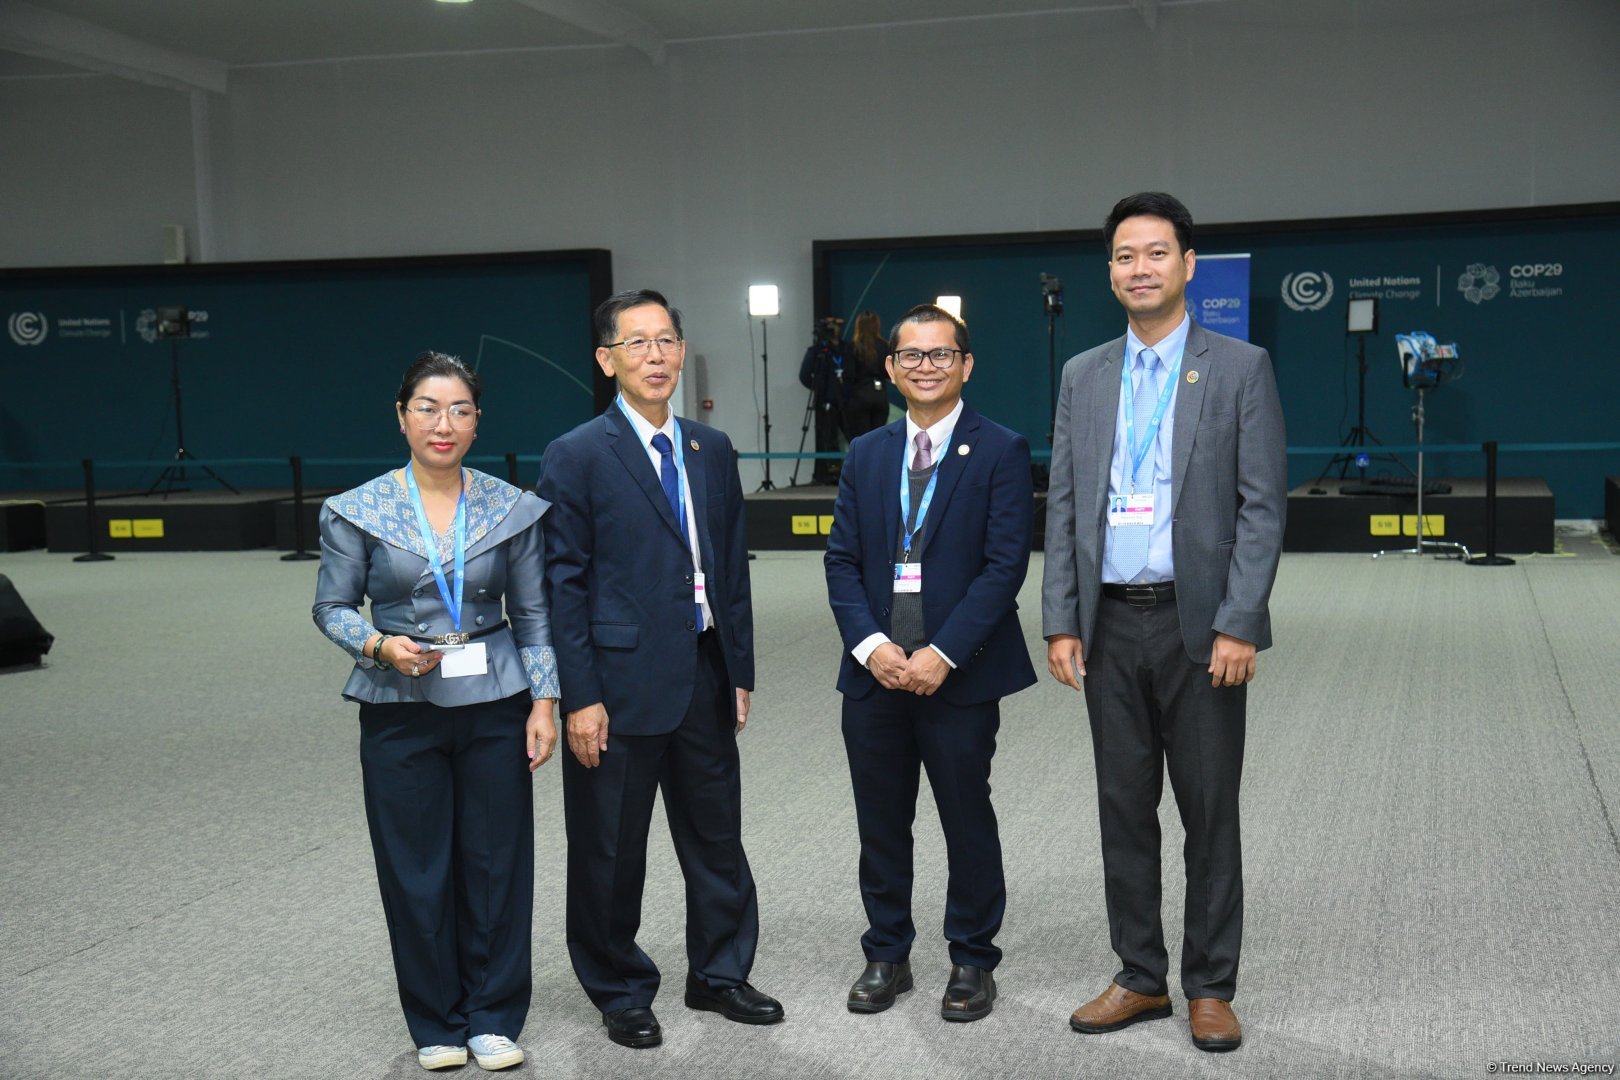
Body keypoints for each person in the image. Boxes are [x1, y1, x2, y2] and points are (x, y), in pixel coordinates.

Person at [1041, 192, 1287, 1052]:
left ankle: (1210, 985)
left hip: (1200, 629)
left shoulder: (1238, 366)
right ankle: (1140, 976)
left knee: (1209, 810)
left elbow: (1261, 507)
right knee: (1123, 808)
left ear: (1188, 265)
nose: (1137, 269)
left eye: (1154, 253)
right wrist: (1061, 619)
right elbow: (1067, 502)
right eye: (1122, 256)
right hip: (1109, 628)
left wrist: (1240, 622)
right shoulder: (1084, 373)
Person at [538, 289, 783, 1050]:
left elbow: (730, 572)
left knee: (716, 838)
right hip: (615, 687)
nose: (656, 355)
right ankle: (619, 986)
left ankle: (719, 973)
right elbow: (561, 585)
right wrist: (579, 695)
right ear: (607, 359)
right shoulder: (576, 454)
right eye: (637, 342)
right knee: (612, 846)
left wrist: (739, 667)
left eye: (667, 340)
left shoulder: (711, 449)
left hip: (705, 673)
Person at [312, 351, 559, 1073]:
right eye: (427, 408)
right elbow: (331, 607)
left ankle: (493, 1016)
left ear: (478, 421)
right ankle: (436, 1021)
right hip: (398, 703)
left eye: (458, 410)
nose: (442, 424)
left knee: (496, 863)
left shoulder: (510, 507)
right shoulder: (358, 510)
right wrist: (379, 644)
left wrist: (544, 700)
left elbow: (536, 614)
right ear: (401, 416)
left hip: (495, 700)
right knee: (415, 867)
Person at [823, 303, 1036, 1023]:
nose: (924, 366)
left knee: (964, 816)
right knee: (881, 821)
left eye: (939, 354)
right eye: (910, 355)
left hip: (960, 674)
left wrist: (942, 653)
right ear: (890, 368)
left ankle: (973, 958)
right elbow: (843, 562)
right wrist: (873, 647)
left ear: (965, 365)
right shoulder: (866, 454)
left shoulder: (1001, 449)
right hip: (875, 674)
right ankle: (887, 952)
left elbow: (1005, 565)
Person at [800, 315, 849, 484]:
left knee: (854, 437)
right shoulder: (817, 351)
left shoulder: (846, 349)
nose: (834, 330)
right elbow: (804, 376)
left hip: (847, 401)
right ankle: (830, 473)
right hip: (826, 402)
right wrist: (820, 389)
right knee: (828, 437)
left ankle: (854, 472)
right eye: (831, 327)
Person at [841, 310, 893, 441]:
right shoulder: (884, 346)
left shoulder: (853, 347)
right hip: (880, 395)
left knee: (861, 440)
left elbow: (849, 375)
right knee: (878, 439)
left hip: (859, 396)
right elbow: (889, 373)